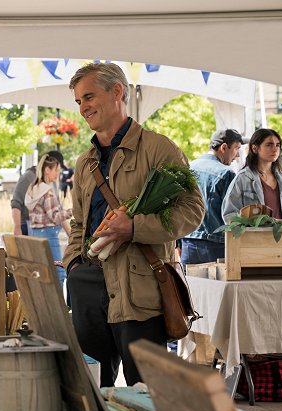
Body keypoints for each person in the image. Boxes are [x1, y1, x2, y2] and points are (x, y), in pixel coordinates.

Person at [63, 63, 204, 387]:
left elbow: (193, 209)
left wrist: (135, 228)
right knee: (94, 393)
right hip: (88, 292)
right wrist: (73, 266)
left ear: (117, 92)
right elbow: (79, 223)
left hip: (140, 294)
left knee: (147, 395)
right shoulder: (86, 161)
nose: (83, 107)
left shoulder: (158, 148)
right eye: (79, 102)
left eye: (88, 97)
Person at [181, 129, 246, 265]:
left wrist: (177, 243)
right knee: (217, 286)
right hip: (215, 245)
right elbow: (233, 215)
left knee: (189, 286)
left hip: (187, 241)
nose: (237, 156)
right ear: (224, 147)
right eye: (236, 149)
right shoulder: (227, 173)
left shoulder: (188, 167)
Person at [25, 154, 72, 288]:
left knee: (41, 274)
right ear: (47, 170)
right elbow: (55, 217)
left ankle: (43, 307)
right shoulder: (47, 191)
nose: (58, 173)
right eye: (56, 170)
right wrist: (73, 211)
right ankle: (56, 308)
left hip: (35, 234)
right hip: (49, 235)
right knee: (58, 273)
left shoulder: (33, 188)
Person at [222, 128, 282, 222]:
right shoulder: (242, 179)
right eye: (269, 145)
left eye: (277, 145)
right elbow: (229, 215)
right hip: (255, 236)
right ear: (255, 148)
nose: (275, 149)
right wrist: (254, 224)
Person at [11, 150, 67, 236]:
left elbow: (57, 209)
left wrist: (69, 233)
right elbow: (16, 203)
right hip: (27, 228)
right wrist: (17, 228)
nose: (58, 174)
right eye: (56, 169)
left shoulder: (52, 182)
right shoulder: (28, 177)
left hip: (46, 230)